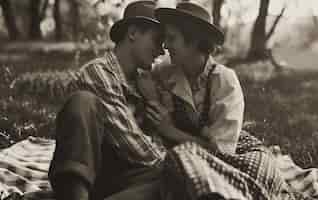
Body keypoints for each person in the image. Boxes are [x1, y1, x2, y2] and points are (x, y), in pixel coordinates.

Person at [135, 2, 289, 200]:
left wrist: (170, 131)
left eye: (172, 38)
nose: (165, 46)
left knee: (259, 171)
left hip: (233, 151)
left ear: (194, 41)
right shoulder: (166, 72)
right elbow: (142, 79)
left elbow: (222, 150)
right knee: (180, 160)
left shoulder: (224, 81)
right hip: (188, 152)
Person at [48, 1, 167, 200]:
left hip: (124, 179)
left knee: (171, 181)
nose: (161, 51)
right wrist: (175, 164)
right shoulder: (99, 72)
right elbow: (133, 145)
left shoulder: (144, 82)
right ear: (133, 33)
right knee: (83, 101)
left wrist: (153, 100)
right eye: (157, 41)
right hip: (90, 173)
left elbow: (152, 146)